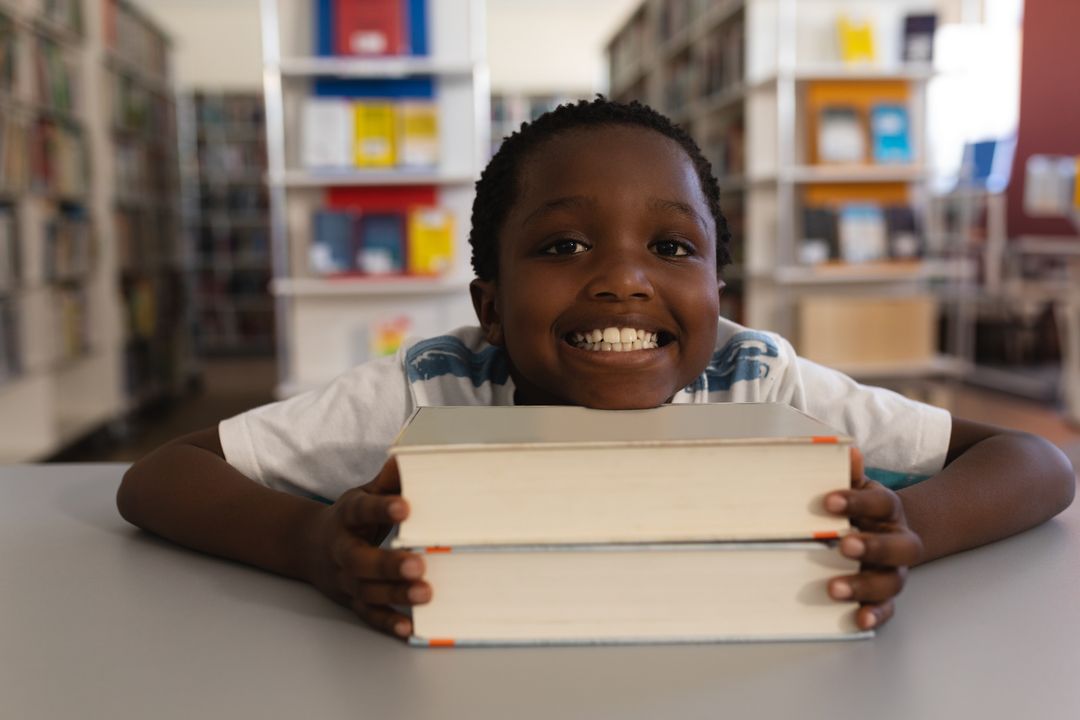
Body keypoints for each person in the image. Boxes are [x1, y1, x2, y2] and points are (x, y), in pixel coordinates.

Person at [117, 98, 1075, 641]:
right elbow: (159, 477)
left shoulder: (759, 377)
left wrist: (908, 524)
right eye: (565, 245)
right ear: (489, 304)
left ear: (717, 285)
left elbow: (1037, 463)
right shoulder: (432, 387)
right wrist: (314, 547)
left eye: (671, 247)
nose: (623, 281)